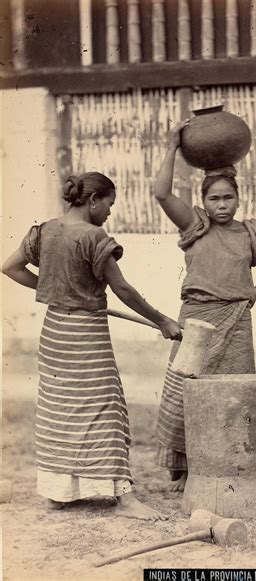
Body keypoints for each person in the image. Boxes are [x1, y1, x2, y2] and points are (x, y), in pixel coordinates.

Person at [2, 172, 182, 520]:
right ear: (94, 200)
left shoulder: (45, 230)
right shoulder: (93, 235)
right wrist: (163, 320)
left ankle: (59, 494)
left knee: (61, 412)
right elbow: (124, 290)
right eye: (109, 205)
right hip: (85, 334)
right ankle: (125, 501)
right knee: (105, 409)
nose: (109, 214)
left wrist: (55, 287)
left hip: (54, 333)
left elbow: (9, 267)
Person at [153, 121, 256, 491]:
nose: (222, 205)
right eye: (214, 199)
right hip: (197, 319)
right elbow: (161, 193)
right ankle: (183, 470)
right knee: (186, 391)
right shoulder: (193, 225)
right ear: (203, 202)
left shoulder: (250, 233)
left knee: (234, 396)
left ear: (239, 199)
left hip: (237, 321)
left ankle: (229, 466)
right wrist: (171, 147)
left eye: (228, 198)